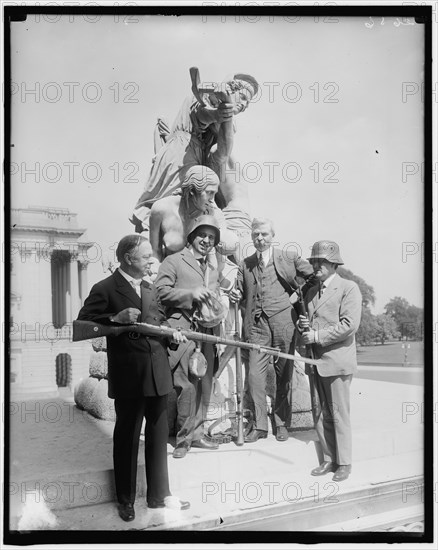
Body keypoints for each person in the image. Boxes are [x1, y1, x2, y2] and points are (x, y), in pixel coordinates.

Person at [76, 235, 189, 522]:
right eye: (145, 256)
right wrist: (115, 319)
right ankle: (125, 500)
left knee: (158, 435)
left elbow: (160, 324)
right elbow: (81, 325)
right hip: (130, 376)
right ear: (128, 258)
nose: (151, 261)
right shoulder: (104, 288)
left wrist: (172, 335)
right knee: (127, 438)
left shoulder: (151, 288)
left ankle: (159, 495)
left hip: (158, 372)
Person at [131, 73, 258, 234]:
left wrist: (226, 117)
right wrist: (217, 114)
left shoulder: (228, 122)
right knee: (172, 201)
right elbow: (201, 115)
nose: (246, 104)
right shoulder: (206, 98)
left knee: (187, 207)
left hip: (196, 157)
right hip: (182, 152)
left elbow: (223, 152)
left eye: (249, 102)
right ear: (232, 90)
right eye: (243, 97)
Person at [229, 218, 316, 443]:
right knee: (255, 377)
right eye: (256, 234)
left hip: (284, 323)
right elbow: (239, 292)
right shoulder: (245, 263)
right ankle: (260, 426)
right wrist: (236, 294)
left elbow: (313, 277)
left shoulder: (289, 257)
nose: (260, 238)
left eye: (264, 234)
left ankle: (281, 423)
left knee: (284, 376)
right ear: (251, 236)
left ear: (272, 236)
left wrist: (297, 296)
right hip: (256, 326)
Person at [155, 215, 226, 459]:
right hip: (183, 331)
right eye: (202, 235)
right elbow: (160, 292)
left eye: (211, 237)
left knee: (204, 384)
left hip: (207, 333)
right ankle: (183, 440)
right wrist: (191, 294)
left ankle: (197, 434)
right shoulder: (174, 261)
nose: (206, 241)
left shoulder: (213, 269)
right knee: (186, 386)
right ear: (191, 237)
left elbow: (214, 295)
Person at [296, 240, 362, 482]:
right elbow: (308, 321)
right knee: (320, 412)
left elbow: (349, 325)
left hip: (337, 361)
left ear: (334, 263)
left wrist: (316, 335)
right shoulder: (312, 290)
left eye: (321, 261)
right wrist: (302, 325)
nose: (316, 265)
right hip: (315, 361)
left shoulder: (349, 288)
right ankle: (328, 459)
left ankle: (344, 462)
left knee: (338, 413)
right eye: (314, 260)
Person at [149, 165, 238, 261]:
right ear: (192, 190)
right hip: (169, 270)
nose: (212, 199)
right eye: (209, 192)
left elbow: (229, 245)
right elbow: (155, 252)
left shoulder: (211, 212)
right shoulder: (161, 209)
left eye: (214, 193)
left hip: (200, 272)